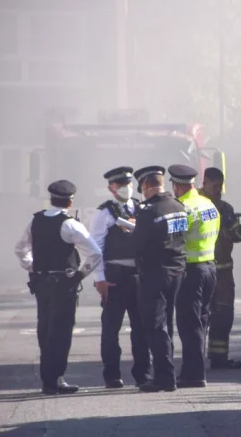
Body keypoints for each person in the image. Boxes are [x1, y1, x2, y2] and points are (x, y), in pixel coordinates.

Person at [14, 180, 103, 395]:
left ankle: (49, 378)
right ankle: (55, 378)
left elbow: (20, 250)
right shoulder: (70, 224)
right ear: (70, 202)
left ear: (51, 199)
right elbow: (95, 253)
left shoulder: (35, 221)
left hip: (41, 282)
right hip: (63, 283)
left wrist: (34, 267)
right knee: (61, 331)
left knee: (44, 328)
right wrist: (80, 274)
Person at [88, 166, 150, 389]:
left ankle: (143, 374)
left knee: (141, 329)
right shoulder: (104, 213)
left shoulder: (141, 208)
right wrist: (100, 279)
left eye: (128, 183)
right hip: (114, 277)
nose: (126, 187)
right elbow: (96, 248)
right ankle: (112, 375)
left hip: (138, 276)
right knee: (111, 329)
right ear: (111, 188)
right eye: (120, 184)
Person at [132, 165, 188, 393]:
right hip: (177, 271)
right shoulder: (178, 206)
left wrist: (130, 234)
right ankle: (167, 372)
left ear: (146, 186)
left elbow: (138, 245)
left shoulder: (149, 211)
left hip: (155, 274)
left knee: (155, 326)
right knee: (167, 324)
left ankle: (164, 378)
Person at [201, 167, 241, 369]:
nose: (218, 190)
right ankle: (194, 359)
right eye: (215, 186)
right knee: (199, 316)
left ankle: (219, 358)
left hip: (223, 273)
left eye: (221, 186)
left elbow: (234, 236)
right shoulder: (194, 205)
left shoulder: (225, 209)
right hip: (200, 271)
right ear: (205, 183)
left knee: (223, 316)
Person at [169, 164, 219, 388]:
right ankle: (193, 370)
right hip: (210, 267)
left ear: (176, 186)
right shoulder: (208, 204)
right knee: (201, 322)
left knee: (189, 325)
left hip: (191, 271)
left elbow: (171, 236)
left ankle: (194, 374)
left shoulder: (183, 208)